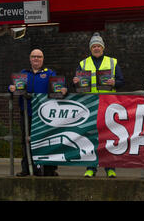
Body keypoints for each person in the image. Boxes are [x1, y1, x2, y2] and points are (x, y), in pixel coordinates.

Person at [9, 49, 67, 177]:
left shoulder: (50, 73)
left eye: (39, 57)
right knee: (26, 141)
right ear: (30, 59)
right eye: (34, 56)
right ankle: (27, 168)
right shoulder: (23, 74)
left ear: (43, 59)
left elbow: (59, 88)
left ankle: (49, 169)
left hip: (45, 114)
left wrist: (64, 90)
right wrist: (10, 88)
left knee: (48, 140)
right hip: (27, 113)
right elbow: (13, 87)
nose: (36, 59)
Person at [73, 32, 124, 178]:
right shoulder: (83, 63)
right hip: (90, 105)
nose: (96, 48)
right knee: (91, 137)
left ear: (103, 48)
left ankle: (110, 168)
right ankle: (91, 168)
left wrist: (115, 82)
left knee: (108, 137)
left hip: (108, 104)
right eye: (94, 46)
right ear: (90, 49)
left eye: (98, 46)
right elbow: (76, 84)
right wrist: (75, 82)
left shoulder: (113, 62)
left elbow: (122, 81)